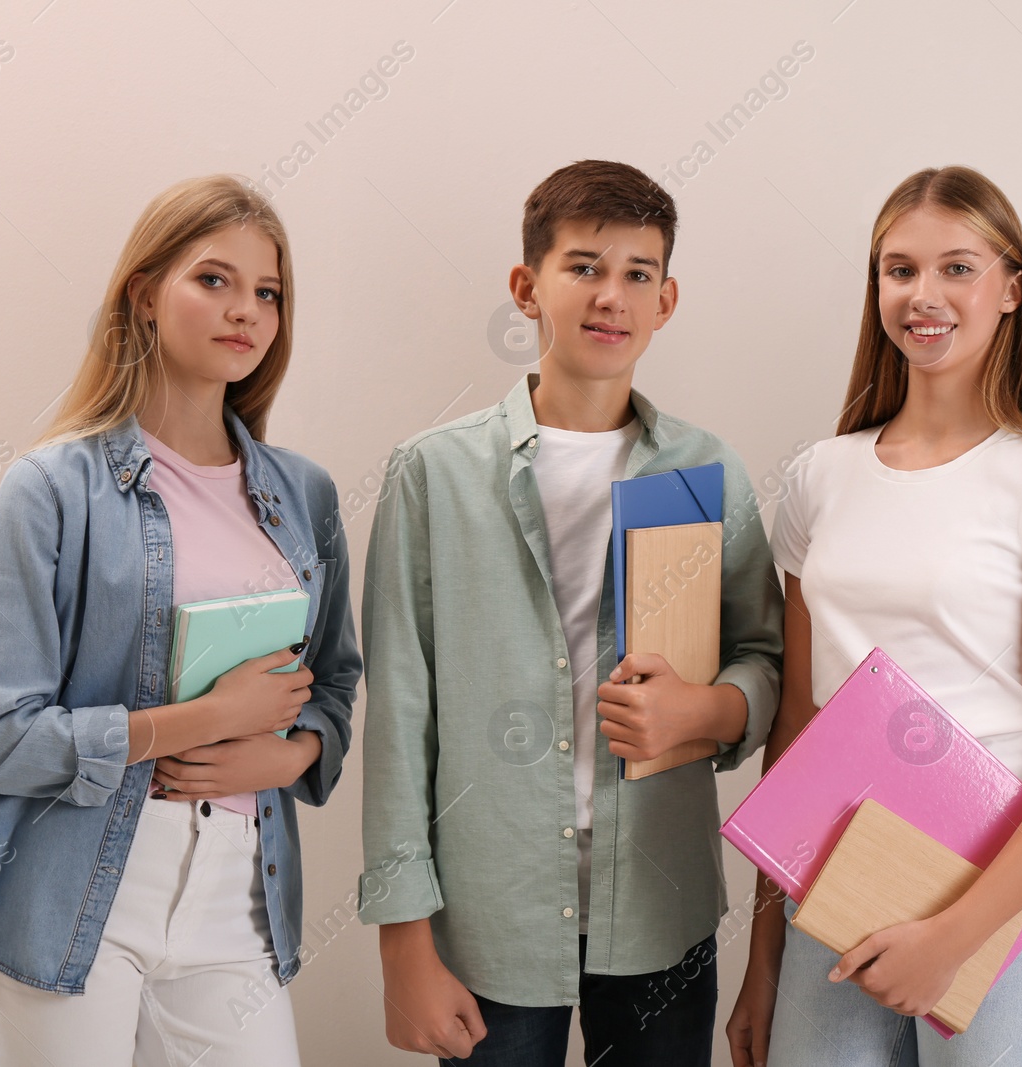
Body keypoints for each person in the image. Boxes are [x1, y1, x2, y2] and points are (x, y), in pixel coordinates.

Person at [0, 174, 360, 1066]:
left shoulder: (303, 494)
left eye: (267, 292)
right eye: (214, 279)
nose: (246, 309)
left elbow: (338, 683)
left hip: (236, 894)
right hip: (64, 887)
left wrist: (288, 751)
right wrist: (207, 720)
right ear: (144, 294)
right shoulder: (50, 489)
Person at [357, 159, 783, 1065]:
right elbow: (397, 711)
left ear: (667, 300)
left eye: (637, 273)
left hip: (661, 912)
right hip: (488, 915)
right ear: (527, 286)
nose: (610, 295)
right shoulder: (432, 474)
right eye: (584, 266)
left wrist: (709, 710)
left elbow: (766, 656)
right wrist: (403, 935)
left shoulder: (706, 474)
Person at [726, 165, 1022, 1067]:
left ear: (1012, 289)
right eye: (898, 269)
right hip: (829, 886)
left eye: (958, 267)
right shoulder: (819, 479)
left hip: (1002, 891)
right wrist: (763, 958)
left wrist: (955, 935)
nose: (924, 294)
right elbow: (795, 728)